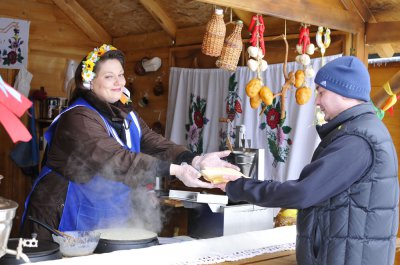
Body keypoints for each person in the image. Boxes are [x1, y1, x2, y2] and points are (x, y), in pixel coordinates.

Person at [21, 44, 238, 240]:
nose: (119, 82)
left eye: (121, 75)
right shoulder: (78, 118)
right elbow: (116, 159)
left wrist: (194, 159)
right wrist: (176, 170)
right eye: (109, 77)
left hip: (102, 213)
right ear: (89, 82)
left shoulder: (125, 113)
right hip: (62, 213)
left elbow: (155, 143)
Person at [217, 56, 399, 265]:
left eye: (322, 92)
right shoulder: (359, 131)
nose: (317, 101)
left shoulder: (357, 140)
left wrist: (237, 186)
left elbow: (302, 192)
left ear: (344, 92)